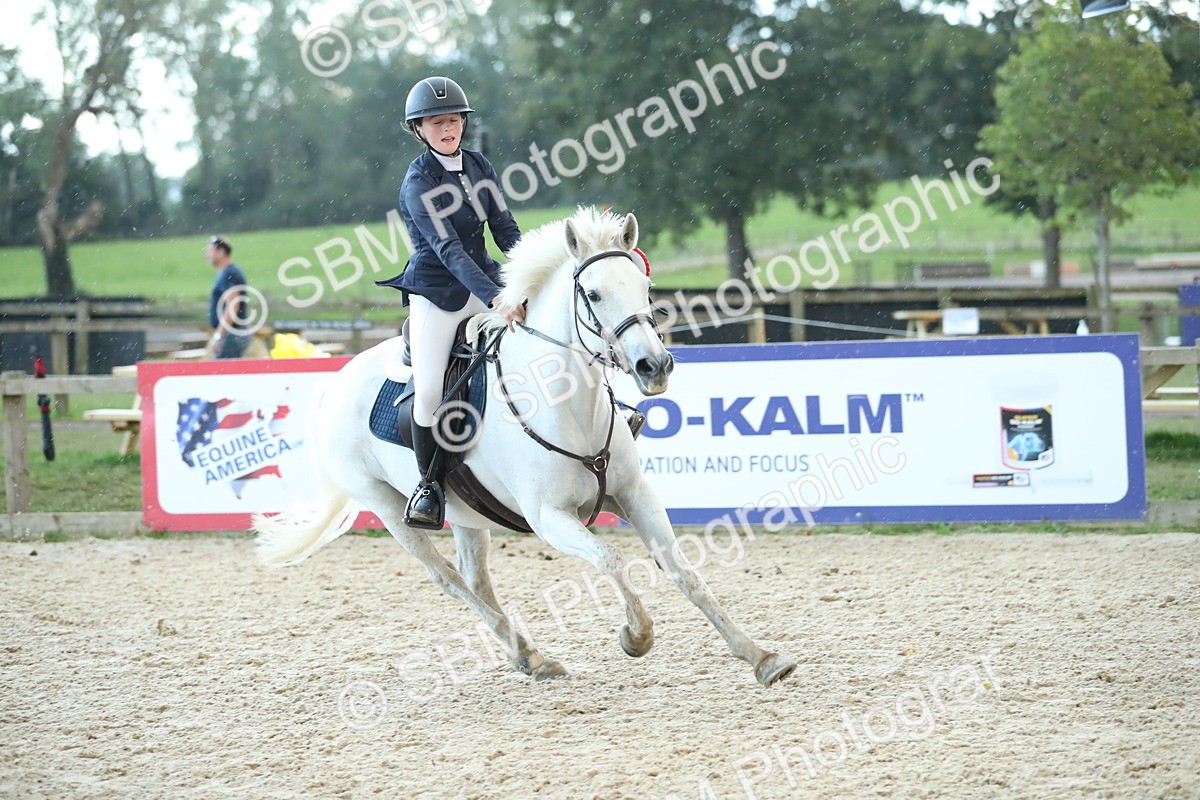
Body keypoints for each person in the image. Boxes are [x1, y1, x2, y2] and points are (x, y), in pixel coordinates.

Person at [376, 76, 525, 529]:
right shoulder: (417, 180)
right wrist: (496, 296)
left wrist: (527, 274)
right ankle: (428, 486)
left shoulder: (479, 166)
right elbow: (448, 250)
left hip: (486, 281)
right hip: (439, 292)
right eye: (437, 122)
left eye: (455, 120)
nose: (448, 129)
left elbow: (504, 228)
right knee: (428, 391)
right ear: (419, 129)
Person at [206, 235, 253, 359]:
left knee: (219, 374)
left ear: (221, 252)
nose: (208, 255)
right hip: (234, 332)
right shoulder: (230, 271)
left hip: (231, 334)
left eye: (211, 251)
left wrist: (218, 335)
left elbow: (233, 306)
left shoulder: (228, 273)